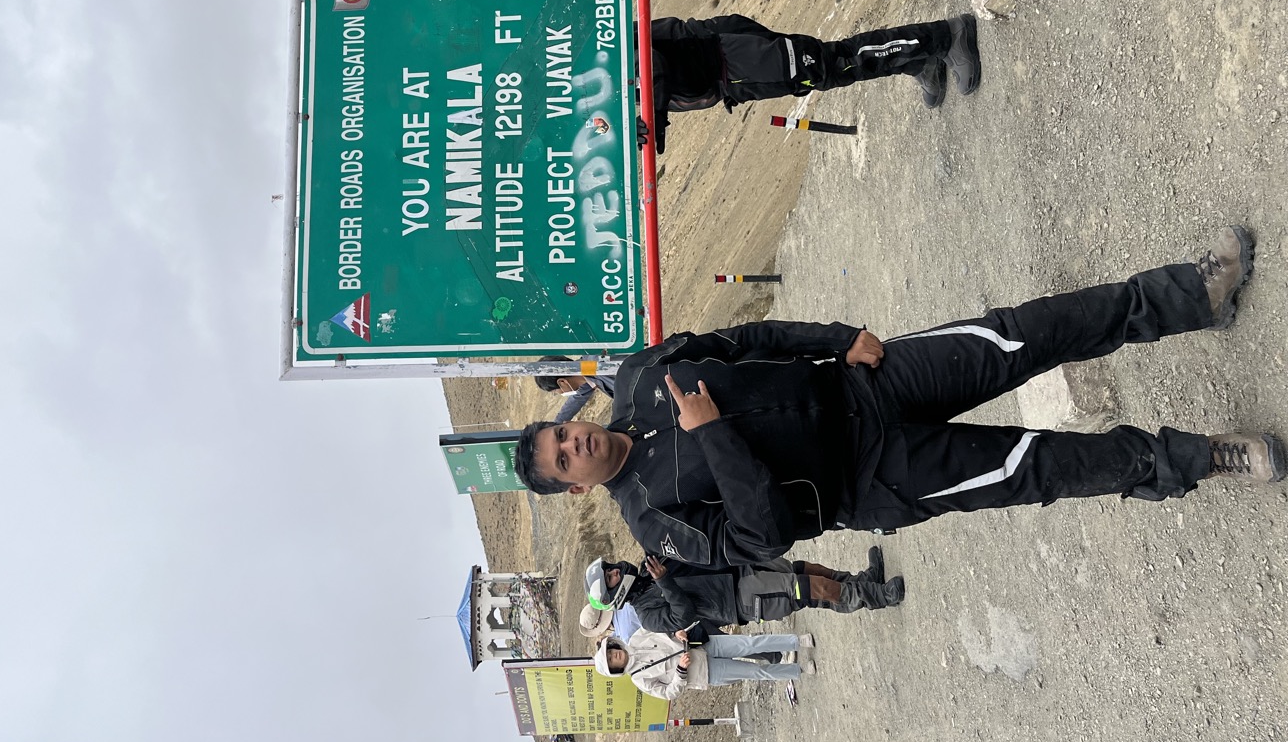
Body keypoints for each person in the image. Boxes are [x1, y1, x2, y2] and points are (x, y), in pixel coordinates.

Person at [513, 228, 1284, 567]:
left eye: (560, 434)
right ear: (571, 487)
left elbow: (754, 340)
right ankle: (1196, 459)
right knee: (1036, 466)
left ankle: (1191, 294)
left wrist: (840, 333)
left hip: (865, 379)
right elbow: (764, 536)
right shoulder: (655, 522)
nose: (571, 445)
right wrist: (713, 434)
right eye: (561, 461)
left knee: (1023, 335)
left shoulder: (648, 376)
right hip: (877, 476)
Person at [648, 11, 979, 152]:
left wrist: (656, 112)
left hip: (727, 55)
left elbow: (653, 61)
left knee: (833, 63)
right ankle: (918, 61)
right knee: (826, 74)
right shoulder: (601, 103)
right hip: (731, 79)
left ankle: (946, 36)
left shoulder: (601, 56)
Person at [628, 550, 903, 637]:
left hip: (737, 567)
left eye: (611, 570)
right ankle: (877, 597)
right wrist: (665, 581)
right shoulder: (648, 617)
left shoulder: (646, 569)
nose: (615, 572)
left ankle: (864, 582)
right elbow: (683, 614)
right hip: (738, 599)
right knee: (810, 590)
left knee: (808, 570)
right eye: (611, 579)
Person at [594, 628, 816, 697]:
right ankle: (799, 670)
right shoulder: (639, 679)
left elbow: (659, 624)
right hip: (707, 673)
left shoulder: (636, 637)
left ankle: (796, 642)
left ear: (615, 646)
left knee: (751, 643)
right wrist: (680, 671)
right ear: (616, 670)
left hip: (702, 644)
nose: (616, 656)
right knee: (756, 672)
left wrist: (676, 632)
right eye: (613, 661)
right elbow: (668, 693)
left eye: (613, 652)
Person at [534, 355, 615, 424]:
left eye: (555, 391)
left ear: (562, 382)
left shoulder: (596, 365)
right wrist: (555, 426)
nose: (558, 393)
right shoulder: (586, 377)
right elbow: (575, 401)